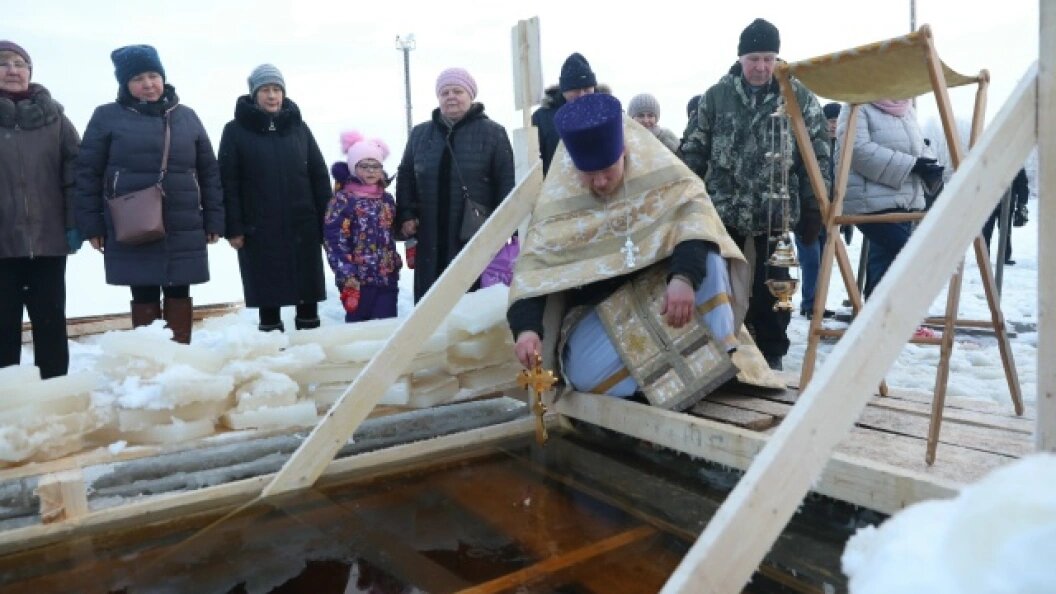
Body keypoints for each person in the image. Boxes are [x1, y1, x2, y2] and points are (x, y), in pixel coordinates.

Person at [508, 93, 776, 412]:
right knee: (581, 373)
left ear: (624, 152)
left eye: (609, 169)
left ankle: (711, 369)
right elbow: (534, 273)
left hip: (666, 296)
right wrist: (526, 330)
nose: (601, 181)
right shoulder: (560, 201)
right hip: (604, 314)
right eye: (589, 174)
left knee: (711, 259)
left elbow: (695, 219)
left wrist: (684, 278)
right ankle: (647, 391)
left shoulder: (657, 172)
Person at [681, 18, 831, 371]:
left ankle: (772, 357)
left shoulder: (798, 97)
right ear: (741, 59)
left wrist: (814, 203)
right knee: (721, 290)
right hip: (724, 213)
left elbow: (817, 153)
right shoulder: (715, 97)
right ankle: (718, 358)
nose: (762, 67)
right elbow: (694, 150)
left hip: (775, 213)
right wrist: (684, 196)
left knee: (775, 293)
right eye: (754, 59)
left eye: (768, 58)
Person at [75, 44, 224, 344]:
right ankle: (149, 361)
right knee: (142, 288)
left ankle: (179, 354)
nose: (148, 84)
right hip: (131, 220)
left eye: (153, 75)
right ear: (125, 84)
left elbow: (209, 171)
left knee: (179, 288)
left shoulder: (187, 116)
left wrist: (214, 219)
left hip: (183, 219)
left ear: (163, 77)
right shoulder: (107, 117)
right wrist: (91, 225)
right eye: (138, 78)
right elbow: (87, 174)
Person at [218, 64, 331, 333]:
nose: (272, 96)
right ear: (254, 94)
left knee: (307, 290)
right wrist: (233, 227)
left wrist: (327, 220)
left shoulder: (298, 128)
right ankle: (272, 351)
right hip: (258, 227)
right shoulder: (234, 131)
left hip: (302, 222)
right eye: (266, 90)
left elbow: (318, 175)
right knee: (267, 291)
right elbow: (227, 183)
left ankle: (309, 345)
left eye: (277, 90)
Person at [395, 67, 515, 303]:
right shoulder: (420, 134)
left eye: (458, 91)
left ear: (470, 95)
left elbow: (506, 182)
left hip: (473, 233)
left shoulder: (493, 133)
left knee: (469, 299)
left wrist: (507, 227)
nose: (451, 97)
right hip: (429, 231)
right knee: (430, 298)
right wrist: (406, 214)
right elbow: (406, 174)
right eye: (445, 92)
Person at [0, 40, 81, 378]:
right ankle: (7, 400)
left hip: (48, 241)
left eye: (20, 63)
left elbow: (76, 173)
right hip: (2, 244)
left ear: (30, 71)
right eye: (4, 63)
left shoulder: (56, 120)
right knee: (2, 327)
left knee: (50, 323)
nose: (13, 70)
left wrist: (75, 223)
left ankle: (54, 391)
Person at [837, 98, 942, 300]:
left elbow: (918, 145)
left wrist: (930, 165)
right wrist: (911, 165)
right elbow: (856, 150)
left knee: (885, 262)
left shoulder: (907, 108)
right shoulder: (858, 104)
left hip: (904, 201)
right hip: (869, 201)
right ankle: (877, 320)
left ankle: (875, 322)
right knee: (906, 253)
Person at [323, 132, 402, 323]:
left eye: (375, 165)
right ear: (353, 168)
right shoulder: (344, 200)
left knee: (387, 325)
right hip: (357, 280)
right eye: (364, 166)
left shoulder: (386, 199)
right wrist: (347, 273)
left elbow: (393, 231)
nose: (371, 171)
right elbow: (334, 240)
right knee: (360, 328)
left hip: (386, 277)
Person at [794, 102, 841, 319]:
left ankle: (818, 302)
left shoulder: (842, 149)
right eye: (830, 121)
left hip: (829, 215)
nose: (834, 126)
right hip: (808, 214)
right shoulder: (812, 145)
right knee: (811, 260)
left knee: (824, 261)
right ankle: (810, 304)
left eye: (837, 121)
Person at [531, 52, 598, 176]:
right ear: (564, 90)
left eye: (587, 88)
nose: (582, 95)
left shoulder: (606, 114)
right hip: (557, 190)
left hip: (601, 186)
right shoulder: (541, 119)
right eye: (576, 90)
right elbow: (533, 164)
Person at [981, 167, 1029, 266]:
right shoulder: (1012, 161)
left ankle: (990, 257)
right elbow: (1022, 184)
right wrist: (1022, 202)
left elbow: (1022, 183)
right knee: (998, 231)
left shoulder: (993, 161)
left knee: (998, 231)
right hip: (996, 202)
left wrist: (1022, 203)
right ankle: (989, 257)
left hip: (1002, 202)